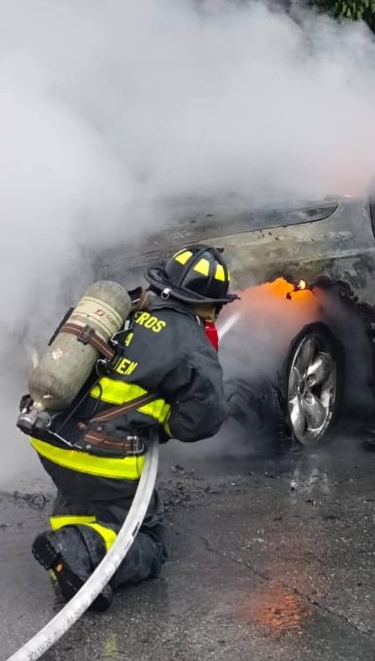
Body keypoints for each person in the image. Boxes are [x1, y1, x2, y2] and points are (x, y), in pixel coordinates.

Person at [24, 245, 236, 610]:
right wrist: (166, 422)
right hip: (103, 458)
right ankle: (79, 550)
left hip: (50, 436)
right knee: (152, 538)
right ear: (210, 305)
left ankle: (72, 551)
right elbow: (205, 418)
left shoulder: (126, 306)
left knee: (84, 499)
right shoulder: (191, 342)